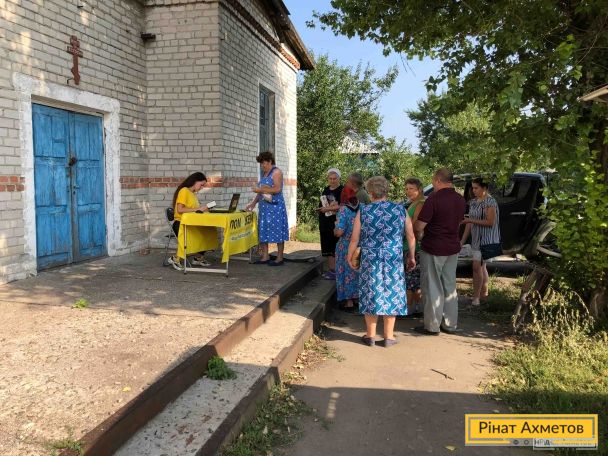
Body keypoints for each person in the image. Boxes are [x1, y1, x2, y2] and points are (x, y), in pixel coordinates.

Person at [348, 176, 416, 347]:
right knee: (392, 292)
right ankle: (388, 336)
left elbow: (355, 238)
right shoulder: (400, 209)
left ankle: (370, 336)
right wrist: (412, 256)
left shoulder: (364, 210)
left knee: (371, 292)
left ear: (371, 193)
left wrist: (350, 256)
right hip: (393, 259)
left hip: (371, 259)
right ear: (386, 191)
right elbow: (410, 235)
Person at [413, 168, 466, 335]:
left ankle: (432, 326)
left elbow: (420, 226)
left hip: (434, 246)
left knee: (432, 286)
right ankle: (450, 324)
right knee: (449, 286)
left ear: (437, 180)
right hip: (453, 247)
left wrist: (417, 233)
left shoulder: (434, 199)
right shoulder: (460, 199)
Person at [461, 177, 501, 306]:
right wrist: (462, 240)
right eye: (472, 188)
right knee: (481, 267)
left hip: (487, 240)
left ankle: (476, 298)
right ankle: (484, 295)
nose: (473, 190)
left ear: (484, 188)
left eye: (476, 188)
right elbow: (469, 223)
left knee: (476, 266)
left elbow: (490, 222)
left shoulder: (490, 201)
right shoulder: (473, 202)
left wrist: (470, 220)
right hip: (476, 240)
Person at [246, 151, 289, 266]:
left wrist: (260, 189)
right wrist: (253, 203)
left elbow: (277, 189)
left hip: (275, 208)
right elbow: (261, 192)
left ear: (270, 161)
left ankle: (279, 258)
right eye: (261, 164)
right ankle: (265, 256)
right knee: (263, 230)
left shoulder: (276, 172)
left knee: (278, 231)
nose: (262, 166)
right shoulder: (265, 174)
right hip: (264, 208)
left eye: (263, 163)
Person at [167, 172, 211, 270]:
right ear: (195, 181)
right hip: (180, 224)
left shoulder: (193, 194)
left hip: (190, 223)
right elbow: (180, 210)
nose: (202, 187)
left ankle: (198, 258)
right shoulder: (184, 191)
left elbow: (194, 210)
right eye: (201, 185)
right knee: (201, 234)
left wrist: (204, 209)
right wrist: (198, 209)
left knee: (208, 232)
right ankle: (175, 258)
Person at [334, 186, 359, 312]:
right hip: (360, 246)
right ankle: (357, 299)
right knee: (357, 272)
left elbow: (339, 232)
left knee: (346, 272)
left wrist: (335, 227)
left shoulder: (344, 210)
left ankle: (348, 302)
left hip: (345, 246)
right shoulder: (362, 208)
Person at [404, 177, 425, 315]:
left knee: (412, 280)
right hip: (409, 245)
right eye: (406, 189)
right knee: (411, 279)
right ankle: (415, 307)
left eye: (411, 189)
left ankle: (411, 308)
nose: (408, 191)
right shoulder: (412, 203)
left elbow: (415, 226)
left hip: (414, 247)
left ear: (420, 189)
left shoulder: (421, 204)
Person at [318, 168, 343, 279]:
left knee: (336, 247)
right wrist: (321, 209)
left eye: (334, 178)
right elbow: (322, 204)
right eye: (330, 178)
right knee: (327, 246)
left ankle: (338, 271)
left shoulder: (342, 190)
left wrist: (328, 208)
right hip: (325, 222)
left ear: (339, 179)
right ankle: (332, 270)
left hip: (337, 223)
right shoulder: (325, 190)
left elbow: (342, 206)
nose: (332, 181)